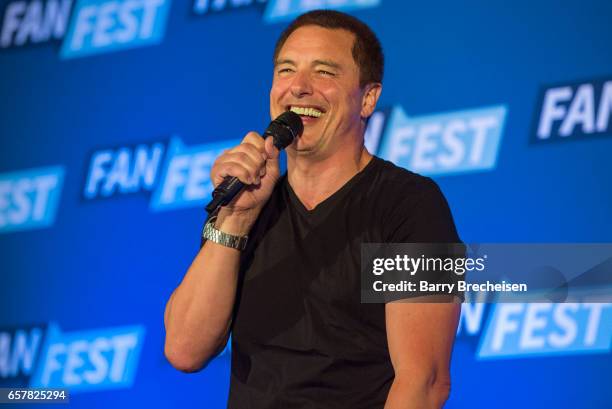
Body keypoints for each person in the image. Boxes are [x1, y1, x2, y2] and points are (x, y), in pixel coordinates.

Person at [164, 10, 461, 409]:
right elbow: (184, 349)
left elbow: (424, 383)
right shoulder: (247, 206)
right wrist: (233, 221)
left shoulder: (409, 205)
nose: (298, 88)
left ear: (368, 98)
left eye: (324, 72)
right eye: (286, 70)